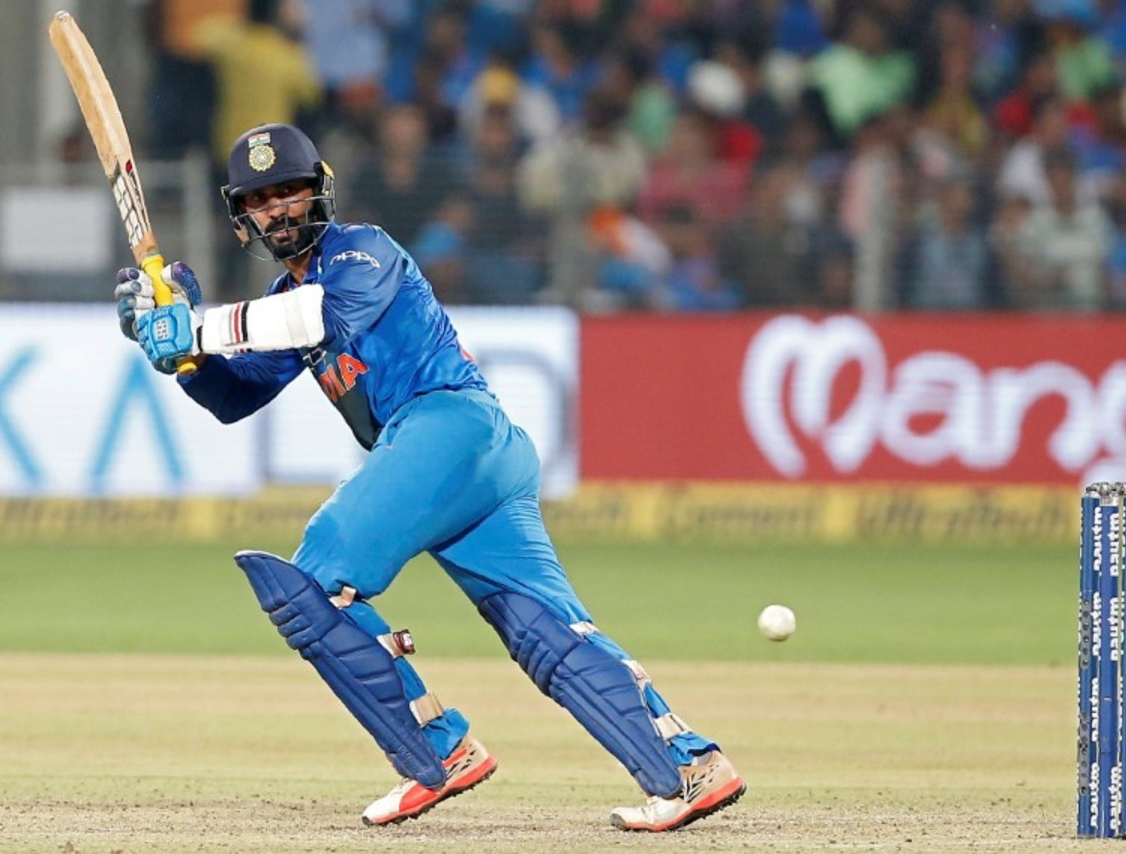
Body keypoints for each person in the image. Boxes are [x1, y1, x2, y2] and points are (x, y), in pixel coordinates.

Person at [113, 123, 745, 832]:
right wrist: (183, 358)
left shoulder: (362, 249)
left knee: (315, 580)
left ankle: (438, 750)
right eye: (260, 200)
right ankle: (688, 766)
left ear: (319, 190)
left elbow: (320, 314)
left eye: (289, 191)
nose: (278, 210)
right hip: (473, 461)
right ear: (241, 217)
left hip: (449, 426)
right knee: (542, 630)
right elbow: (237, 397)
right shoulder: (278, 297)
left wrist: (197, 326)